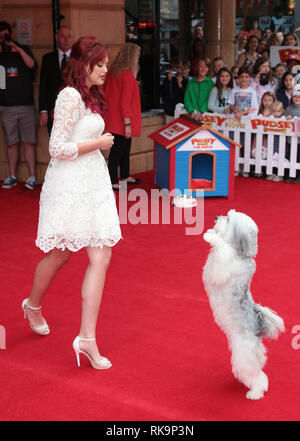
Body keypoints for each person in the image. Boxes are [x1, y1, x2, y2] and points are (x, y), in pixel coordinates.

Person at [23, 36, 122, 369]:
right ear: (85, 65)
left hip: (92, 182)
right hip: (69, 185)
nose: (107, 69)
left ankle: (87, 339)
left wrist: (96, 145)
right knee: (60, 253)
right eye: (102, 63)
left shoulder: (89, 96)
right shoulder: (68, 96)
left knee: (101, 256)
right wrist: (98, 142)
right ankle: (32, 305)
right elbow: (55, 147)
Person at [0, 21, 37, 190]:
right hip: (7, 107)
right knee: (11, 143)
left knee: (29, 142)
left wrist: (19, 50)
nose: (4, 39)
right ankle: (12, 175)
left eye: (6, 35)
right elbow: (0, 83)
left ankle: (32, 177)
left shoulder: (22, 50)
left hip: (26, 105)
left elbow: (31, 65)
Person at [104, 43, 142, 191]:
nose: (138, 58)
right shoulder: (126, 74)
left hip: (115, 118)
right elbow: (125, 102)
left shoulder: (114, 72)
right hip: (122, 121)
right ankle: (113, 180)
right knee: (118, 152)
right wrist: (127, 123)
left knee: (123, 150)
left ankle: (125, 176)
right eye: (137, 56)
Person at [39, 25, 73, 135]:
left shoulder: (78, 58)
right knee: (55, 144)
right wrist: (43, 110)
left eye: (69, 37)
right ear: (57, 37)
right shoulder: (48, 58)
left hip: (73, 109)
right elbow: (43, 85)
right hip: (53, 109)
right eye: (63, 37)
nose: (66, 40)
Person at [251, 91, 275, 177]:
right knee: (257, 150)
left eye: (269, 100)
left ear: (273, 101)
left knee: (268, 152)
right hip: (258, 136)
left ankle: (267, 171)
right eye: (265, 100)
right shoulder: (259, 111)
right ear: (262, 101)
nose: (267, 102)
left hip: (269, 137)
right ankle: (258, 170)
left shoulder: (274, 112)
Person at [162, 58, 188, 124]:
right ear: (170, 69)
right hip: (169, 111)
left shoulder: (184, 80)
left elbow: (186, 95)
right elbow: (163, 93)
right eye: (174, 69)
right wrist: (168, 80)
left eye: (178, 68)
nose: (176, 70)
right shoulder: (167, 80)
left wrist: (180, 84)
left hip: (181, 111)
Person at [266, 100, 286, 182]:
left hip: (280, 142)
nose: (276, 113)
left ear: (281, 111)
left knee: (280, 158)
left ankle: (280, 174)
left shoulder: (283, 119)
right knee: (271, 157)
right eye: (274, 111)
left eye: (278, 111)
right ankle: (272, 173)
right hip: (272, 142)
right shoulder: (270, 119)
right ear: (271, 111)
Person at [284, 84, 300, 183]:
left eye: (299, 97)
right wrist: (287, 119)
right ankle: (291, 175)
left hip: (299, 140)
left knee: (299, 157)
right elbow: (283, 122)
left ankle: (298, 176)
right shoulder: (288, 109)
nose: (297, 98)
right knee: (290, 156)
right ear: (292, 97)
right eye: (295, 96)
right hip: (290, 139)